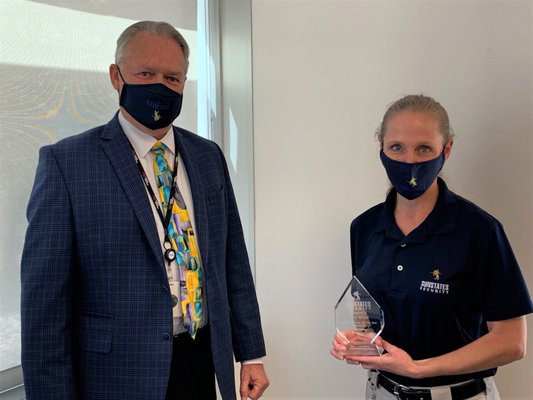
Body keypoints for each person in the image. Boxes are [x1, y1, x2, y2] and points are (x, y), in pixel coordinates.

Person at [21, 21, 269, 400]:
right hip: (115, 374)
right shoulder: (66, 163)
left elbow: (232, 259)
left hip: (200, 359)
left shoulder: (207, 156)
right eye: (145, 73)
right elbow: (44, 307)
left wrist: (251, 352)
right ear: (116, 76)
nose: (160, 86)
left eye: (172, 77)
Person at [331, 94, 532, 399]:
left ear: (446, 148)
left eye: (423, 148)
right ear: (380, 146)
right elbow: (366, 310)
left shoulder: (479, 231)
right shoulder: (365, 228)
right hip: (382, 392)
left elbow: (512, 342)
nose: (409, 160)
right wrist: (361, 341)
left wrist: (417, 368)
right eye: (396, 147)